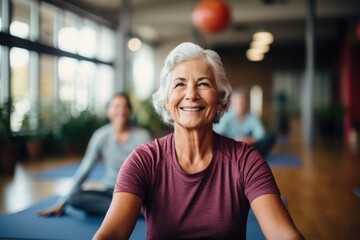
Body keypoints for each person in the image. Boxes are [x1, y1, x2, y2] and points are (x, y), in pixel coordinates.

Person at [93, 42, 303, 239]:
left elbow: (283, 234)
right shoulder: (143, 161)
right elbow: (110, 234)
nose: (191, 94)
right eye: (179, 84)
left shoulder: (246, 161)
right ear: (167, 100)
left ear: (219, 100)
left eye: (203, 83)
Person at [38, 92, 152, 216]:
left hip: (135, 193)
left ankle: (126, 210)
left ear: (130, 111)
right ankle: (131, 211)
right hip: (111, 191)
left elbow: (153, 171)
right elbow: (85, 169)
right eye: (116, 106)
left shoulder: (142, 136)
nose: (121, 110)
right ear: (108, 111)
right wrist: (63, 201)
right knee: (75, 197)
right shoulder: (101, 135)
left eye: (125, 106)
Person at [214, 87, 276, 157]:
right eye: (238, 103)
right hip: (231, 145)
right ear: (232, 103)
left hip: (248, 144)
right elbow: (217, 133)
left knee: (270, 136)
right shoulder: (225, 116)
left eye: (242, 102)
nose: (240, 105)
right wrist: (235, 140)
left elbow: (261, 134)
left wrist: (248, 140)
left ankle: (255, 158)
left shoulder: (252, 117)